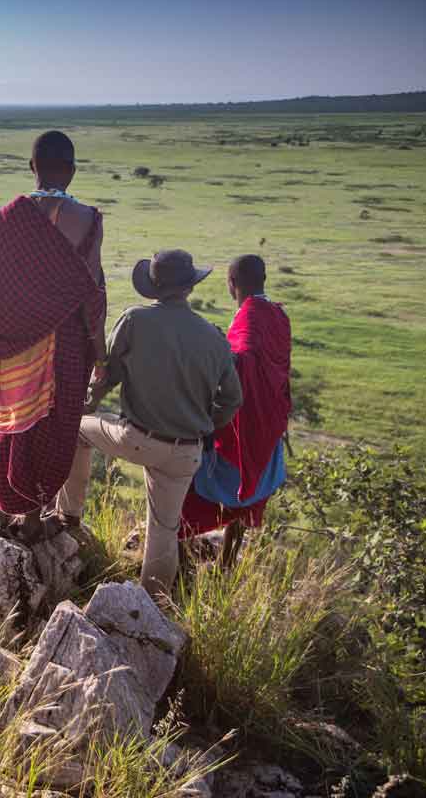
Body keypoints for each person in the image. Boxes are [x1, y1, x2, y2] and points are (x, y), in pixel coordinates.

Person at [56, 250, 243, 599]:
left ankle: (69, 517)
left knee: (77, 429)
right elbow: (232, 399)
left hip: (138, 438)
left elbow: (110, 375)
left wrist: (89, 403)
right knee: (163, 531)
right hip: (185, 452)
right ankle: (149, 613)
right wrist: (203, 424)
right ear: (189, 288)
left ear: (154, 287)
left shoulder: (135, 320)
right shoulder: (214, 337)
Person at [0, 130, 106, 541]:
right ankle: (33, 515)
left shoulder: (8, 217)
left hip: (15, 345)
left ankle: (10, 509)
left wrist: (8, 330)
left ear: (32, 168)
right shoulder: (89, 220)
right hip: (66, 344)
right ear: (73, 172)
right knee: (53, 426)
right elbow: (91, 294)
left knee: (15, 421)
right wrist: (100, 356)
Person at [180, 254, 292, 568]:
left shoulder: (248, 318)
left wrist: (218, 346)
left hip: (244, 423)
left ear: (232, 284)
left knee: (189, 485)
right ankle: (227, 562)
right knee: (250, 495)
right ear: (264, 280)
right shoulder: (278, 314)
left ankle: (181, 562)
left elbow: (240, 360)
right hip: (270, 423)